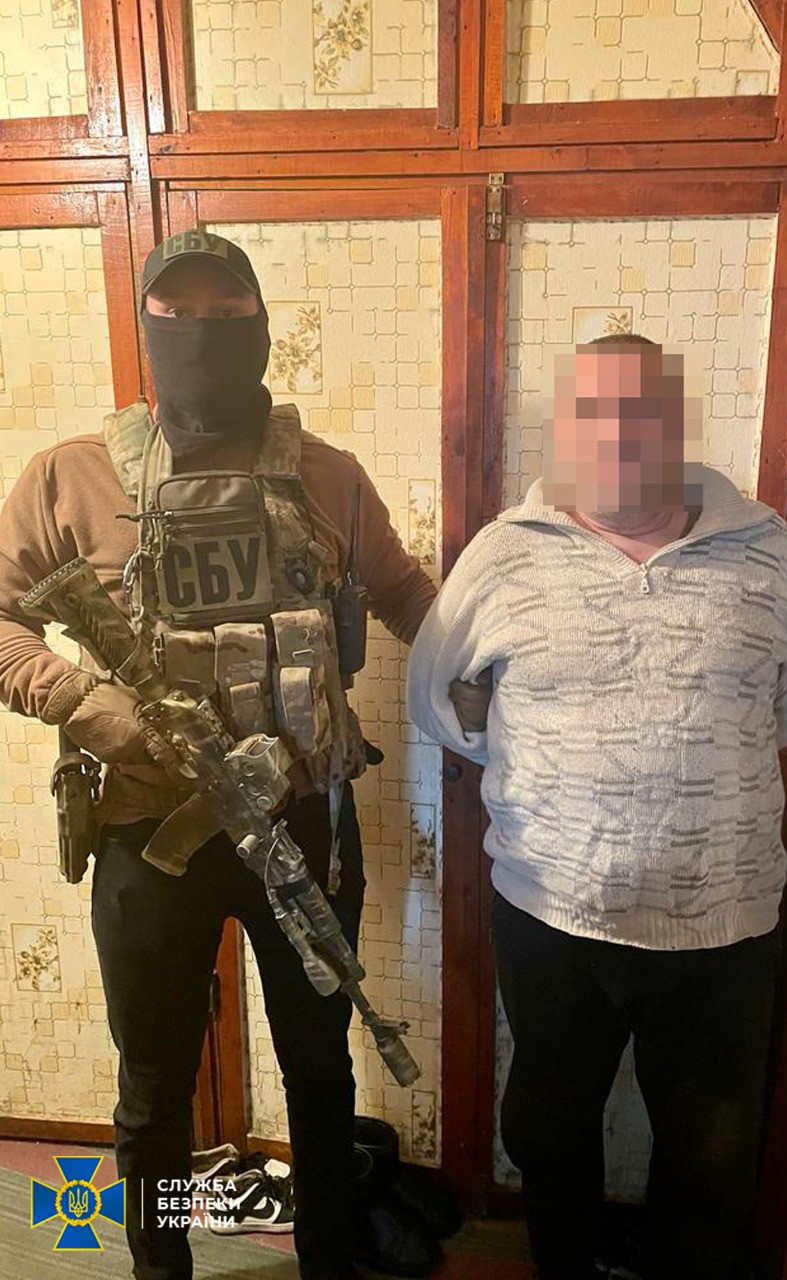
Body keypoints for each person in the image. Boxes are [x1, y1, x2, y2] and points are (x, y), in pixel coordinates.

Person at [0, 230, 437, 1280]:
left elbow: (411, 600)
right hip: (147, 830)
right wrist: (79, 699)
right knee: (153, 1086)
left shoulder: (328, 476)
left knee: (320, 1071)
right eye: (177, 314)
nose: (200, 333)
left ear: (261, 326)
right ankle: (160, 1268)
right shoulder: (69, 475)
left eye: (226, 313)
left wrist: (513, 678)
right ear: (146, 326)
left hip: (300, 820)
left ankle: (330, 1256)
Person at [407, 334, 787, 1280]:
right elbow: (439, 702)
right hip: (551, 917)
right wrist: (562, 777)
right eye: (592, 413)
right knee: (546, 1129)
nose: (617, 434)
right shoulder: (504, 554)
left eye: (641, 411)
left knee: (712, 1154)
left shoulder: (767, 550)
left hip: (724, 927)